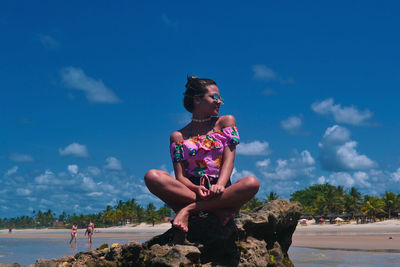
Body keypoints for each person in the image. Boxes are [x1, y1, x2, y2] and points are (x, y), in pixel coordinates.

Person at [144, 76, 260, 232]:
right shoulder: (178, 136)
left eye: (220, 98)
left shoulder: (225, 122)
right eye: (215, 97)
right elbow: (180, 177)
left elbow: (229, 161)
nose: (219, 102)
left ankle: (189, 209)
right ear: (197, 99)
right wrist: (196, 188)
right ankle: (215, 208)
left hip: (221, 191)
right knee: (152, 176)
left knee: (252, 183)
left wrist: (219, 185)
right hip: (191, 191)